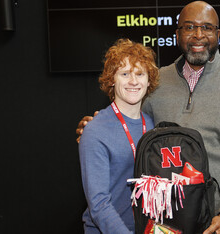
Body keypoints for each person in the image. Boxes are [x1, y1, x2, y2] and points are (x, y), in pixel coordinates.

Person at [76, 2, 220, 233]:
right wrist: (96, 125)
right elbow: (128, 118)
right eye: (189, 27)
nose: (198, 35)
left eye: (207, 28)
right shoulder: (156, 82)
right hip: (167, 224)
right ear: (177, 34)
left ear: (218, 34)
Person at [78, 38, 159, 234]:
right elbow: (98, 204)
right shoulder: (95, 131)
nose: (133, 81)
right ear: (111, 81)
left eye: (140, 74)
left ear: (149, 81)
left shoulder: (152, 125)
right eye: (125, 74)